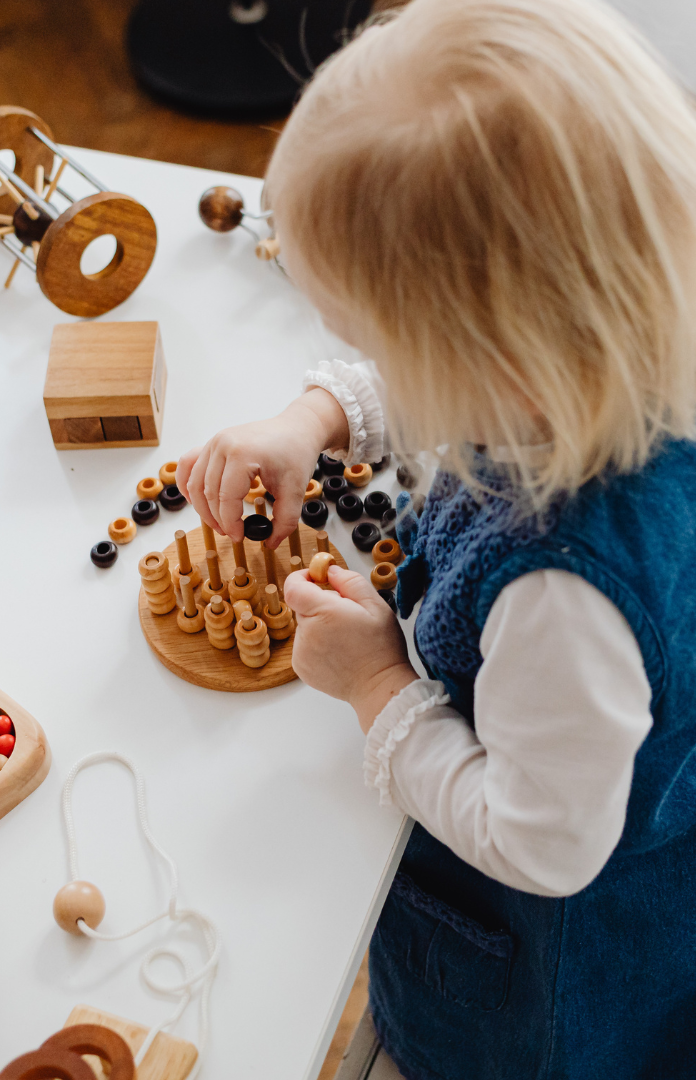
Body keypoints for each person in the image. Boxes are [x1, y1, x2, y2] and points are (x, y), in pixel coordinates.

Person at [176, 1, 696, 1076]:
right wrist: (315, 416)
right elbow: (464, 383)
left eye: (374, 341)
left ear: (490, 362)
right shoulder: (629, 332)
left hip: (534, 970)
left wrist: (375, 685)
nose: (362, 359)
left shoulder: (566, 597)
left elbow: (542, 842)